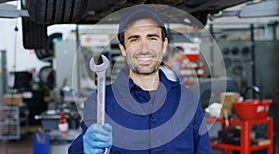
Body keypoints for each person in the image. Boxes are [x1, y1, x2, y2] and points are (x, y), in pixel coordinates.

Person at [69, 5, 212, 154]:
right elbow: (78, 148)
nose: (144, 48)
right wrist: (84, 148)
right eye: (134, 39)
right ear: (123, 49)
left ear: (164, 45)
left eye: (152, 38)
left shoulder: (188, 102)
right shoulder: (100, 101)